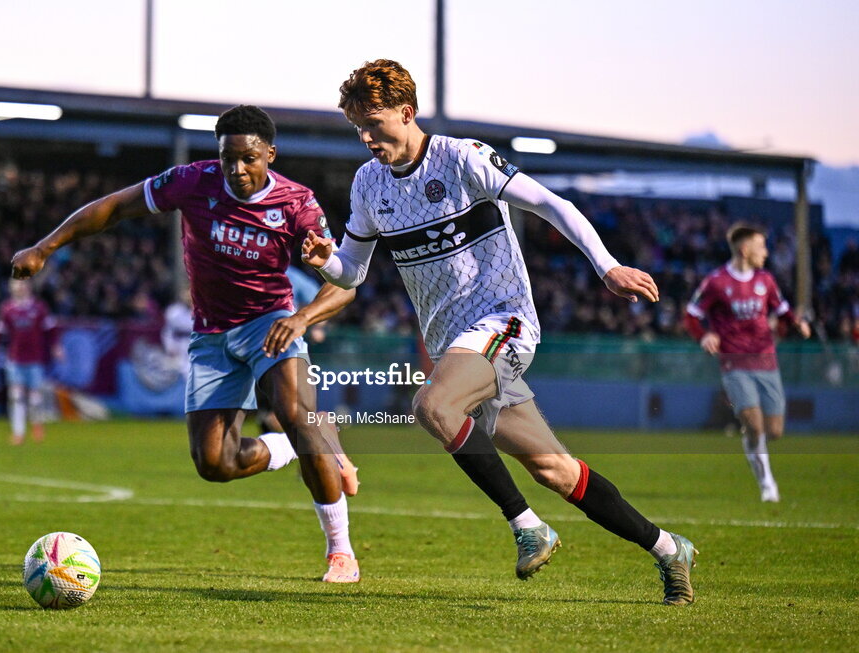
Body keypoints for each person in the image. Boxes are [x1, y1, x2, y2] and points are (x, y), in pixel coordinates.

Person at [304, 59, 696, 604]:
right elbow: (352, 270)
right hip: (456, 346)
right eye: (358, 128)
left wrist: (607, 267)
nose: (367, 138)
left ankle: (528, 526)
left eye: (375, 123)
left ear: (407, 112)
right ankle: (669, 549)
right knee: (553, 468)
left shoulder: (461, 159)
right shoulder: (369, 184)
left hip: (502, 322)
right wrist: (326, 261)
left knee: (432, 407)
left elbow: (551, 204)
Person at [10, 105, 362, 583]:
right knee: (215, 464)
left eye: (249, 159)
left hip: (271, 322)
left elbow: (345, 281)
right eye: (228, 159)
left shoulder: (298, 204)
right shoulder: (193, 182)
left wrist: (302, 317)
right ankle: (294, 448)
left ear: (270, 155)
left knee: (299, 414)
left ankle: (340, 551)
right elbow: (114, 206)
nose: (237, 169)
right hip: (211, 334)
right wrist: (45, 247)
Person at [685, 223, 811, 502]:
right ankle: (767, 482)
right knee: (754, 424)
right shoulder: (716, 282)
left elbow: (783, 309)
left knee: (774, 430)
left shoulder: (766, 280)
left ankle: (753, 444)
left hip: (767, 360)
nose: (766, 253)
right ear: (744, 249)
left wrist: (798, 324)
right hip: (734, 363)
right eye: (761, 246)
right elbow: (691, 315)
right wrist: (704, 335)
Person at [0, 279, 60, 445]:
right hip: (15, 359)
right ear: (12, 288)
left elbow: (51, 329)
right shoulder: (7, 309)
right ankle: (18, 432)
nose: (20, 287)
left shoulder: (39, 307)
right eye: (17, 285)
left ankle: (37, 424)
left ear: (29, 287)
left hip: (35, 359)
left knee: (34, 397)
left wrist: (56, 347)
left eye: (23, 285)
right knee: (16, 396)